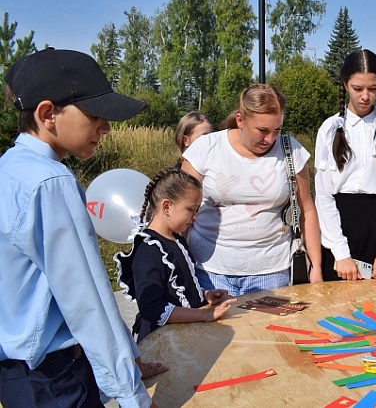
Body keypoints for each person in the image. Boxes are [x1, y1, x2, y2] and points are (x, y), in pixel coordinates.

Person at [0, 48, 163, 407]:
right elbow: (86, 299)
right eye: (94, 115)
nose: (105, 127)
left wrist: (128, 354)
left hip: (19, 377)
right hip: (56, 380)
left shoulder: (9, 169)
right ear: (48, 114)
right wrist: (131, 393)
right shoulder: (50, 182)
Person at [181, 84, 322, 295]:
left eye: (277, 130)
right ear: (240, 120)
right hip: (209, 271)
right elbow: (180, 208)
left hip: (272, 272)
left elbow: (308, 210)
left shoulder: (291, 150)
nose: (270, 139)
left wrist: (317, 269)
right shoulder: (206, 148)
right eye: (263, 131)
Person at [314, 49, 376, 281]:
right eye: (358, 88)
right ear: (345, 84)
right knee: (338, 312)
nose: (365, 96)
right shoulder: (329, 129)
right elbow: (323, 196)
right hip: (339, 230)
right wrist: (340, 252)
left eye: (373, 88)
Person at [114, 168, 237, 343]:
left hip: (185, 333)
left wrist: (205, 295)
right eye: (190, 209)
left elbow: (176, 286)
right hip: (163, 339)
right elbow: (152, 307)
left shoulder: (177, 239)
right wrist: (205, 314)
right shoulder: (148, 249)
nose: (194, 217)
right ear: (167, 206)